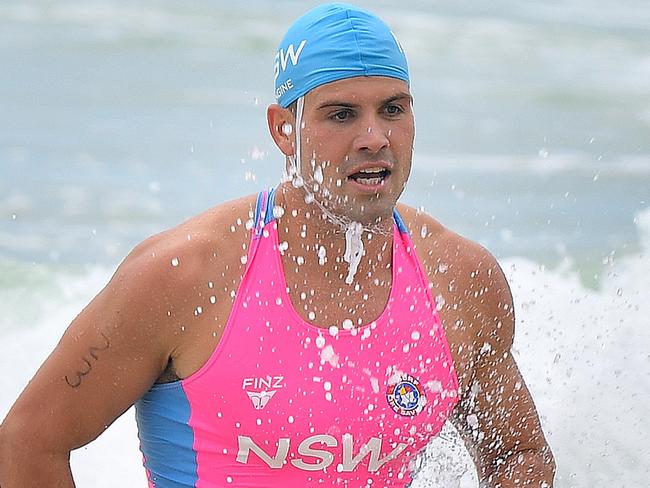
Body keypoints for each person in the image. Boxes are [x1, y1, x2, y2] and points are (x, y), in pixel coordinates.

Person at [0, 3, 555, 487]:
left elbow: (518, 454)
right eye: (341, 114)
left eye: (393, 108)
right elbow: (26, 444)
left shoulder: (458, 279)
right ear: (282, 129)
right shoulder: (183, 277)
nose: (374, 137)